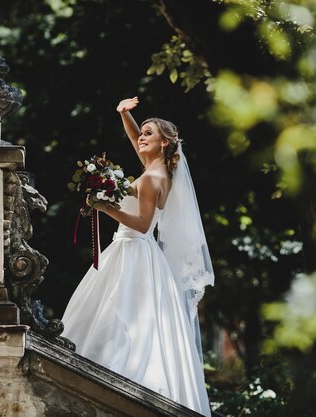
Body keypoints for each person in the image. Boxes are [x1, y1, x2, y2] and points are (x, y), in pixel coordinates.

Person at [61, 97, 214, 416]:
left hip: (133, 249)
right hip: (134, 251)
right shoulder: (156, 169)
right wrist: (124, 114)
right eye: (141, 133)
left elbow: (143, 225)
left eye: (149, 133)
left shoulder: (153, 178)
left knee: (121, 318)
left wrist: (105, 207)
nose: (141, 137)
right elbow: (133, 137)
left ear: (165, 142)